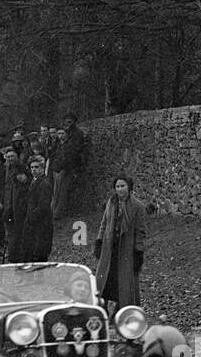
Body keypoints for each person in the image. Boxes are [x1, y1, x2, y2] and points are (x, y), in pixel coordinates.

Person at [93, 175, 148, 314]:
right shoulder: (111, 203)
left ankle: (122, 311)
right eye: (117, 186)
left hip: (126, 251)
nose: (120, 189)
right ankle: (101, 309)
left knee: (123, 283)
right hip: (109, 248)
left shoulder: (138, 207)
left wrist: (138, 251)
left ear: (129, 187)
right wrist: (99, 241)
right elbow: (104, 223)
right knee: (105, 280)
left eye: (123, 186)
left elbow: (140, 231)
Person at [51, 113, 87, 217]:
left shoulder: (76, 134)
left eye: (70, 121)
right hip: (59, 167)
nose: (68, 123)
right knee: (56, 190)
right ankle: (54, 210)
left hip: (69, 166)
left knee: (63, 190)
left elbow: (74, 152)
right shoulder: (62, 138)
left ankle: (58, 212)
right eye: (66, 121)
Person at [20, 156, 54, 262]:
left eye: (36, 167)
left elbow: (43, 206)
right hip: (33, 222)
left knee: (39, 253)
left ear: (42, 168)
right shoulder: (34, 181)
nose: (34, 170)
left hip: (41, 223)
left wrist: (31, 217)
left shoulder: (44, 183)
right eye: (32, 167)